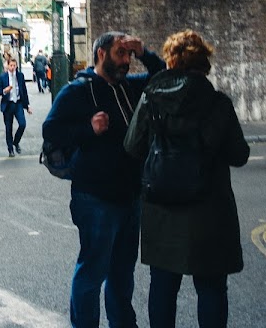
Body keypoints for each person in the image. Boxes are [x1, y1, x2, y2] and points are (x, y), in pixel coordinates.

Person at [123, 30, 249, 328]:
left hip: (162, 209)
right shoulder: (218, 103)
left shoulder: (152, 99)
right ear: (204, 64)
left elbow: (131, 146)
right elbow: (239, 155)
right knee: (211, 288)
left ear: (171, 62)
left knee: (163, 287)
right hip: (210, 209)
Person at [42, 31, 165, 328]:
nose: (126, 62)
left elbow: (163, 78)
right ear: (101, 54)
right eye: (120, 54)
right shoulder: (77, 91)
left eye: (128, 56)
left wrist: (144, 52)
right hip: (94, 198)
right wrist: (88, 128)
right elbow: (51, 132)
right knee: (92, 271)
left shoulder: (131, 86)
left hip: (130, 196)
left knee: (123, 273)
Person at [0, 58, 30, 157]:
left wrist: (27, 106)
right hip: (8, 104)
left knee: (22, 124)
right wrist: (5, 90)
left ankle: (16, 142)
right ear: (7, 65)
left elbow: (24, 90)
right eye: (11, 65)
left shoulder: (20, 76)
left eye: (14, 65)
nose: (12, 67)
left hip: (18, 103)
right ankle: (10, 148)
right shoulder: (3, 77)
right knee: (8, 127)